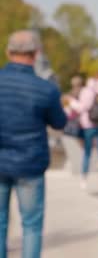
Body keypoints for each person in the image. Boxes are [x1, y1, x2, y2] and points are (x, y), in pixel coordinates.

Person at [0, 30, 67, 258]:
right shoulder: (45, 88)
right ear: (36, 53)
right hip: (30, 164)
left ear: (9, 52)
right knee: (31, 226)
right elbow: (59, 122)